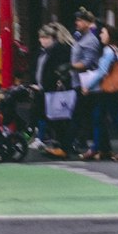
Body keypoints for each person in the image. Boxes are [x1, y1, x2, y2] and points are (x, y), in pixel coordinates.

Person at [79, 23, 118, 160]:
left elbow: (101, 72)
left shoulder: (109, 51)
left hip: (109, 90)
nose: (101, 35)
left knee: (111, 119)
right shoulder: (115, 49)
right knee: (100, 117)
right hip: (112, 89)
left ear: (110, 35)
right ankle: (99, 149)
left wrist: (88, 86)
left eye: (103, 33)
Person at [36, 22, 76, 157]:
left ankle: (64, 146)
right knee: (59, 117)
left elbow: (53, 69)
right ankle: (64, 145)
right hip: (55, 87)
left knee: (59, 117)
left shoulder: (59, 49)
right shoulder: (60, 48)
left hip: (56, 88)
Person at [69, 7, 102, 154]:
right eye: (76, 20)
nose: (77, 23)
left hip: (86, 83)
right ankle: (82, 141)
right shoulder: (79, 37)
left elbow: (87, 62)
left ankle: (79, 141)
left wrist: (70, 66)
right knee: (82, 114)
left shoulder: (90, 40)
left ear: (89, 23)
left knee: (81, 113)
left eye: (80, 20)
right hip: (79, 82)